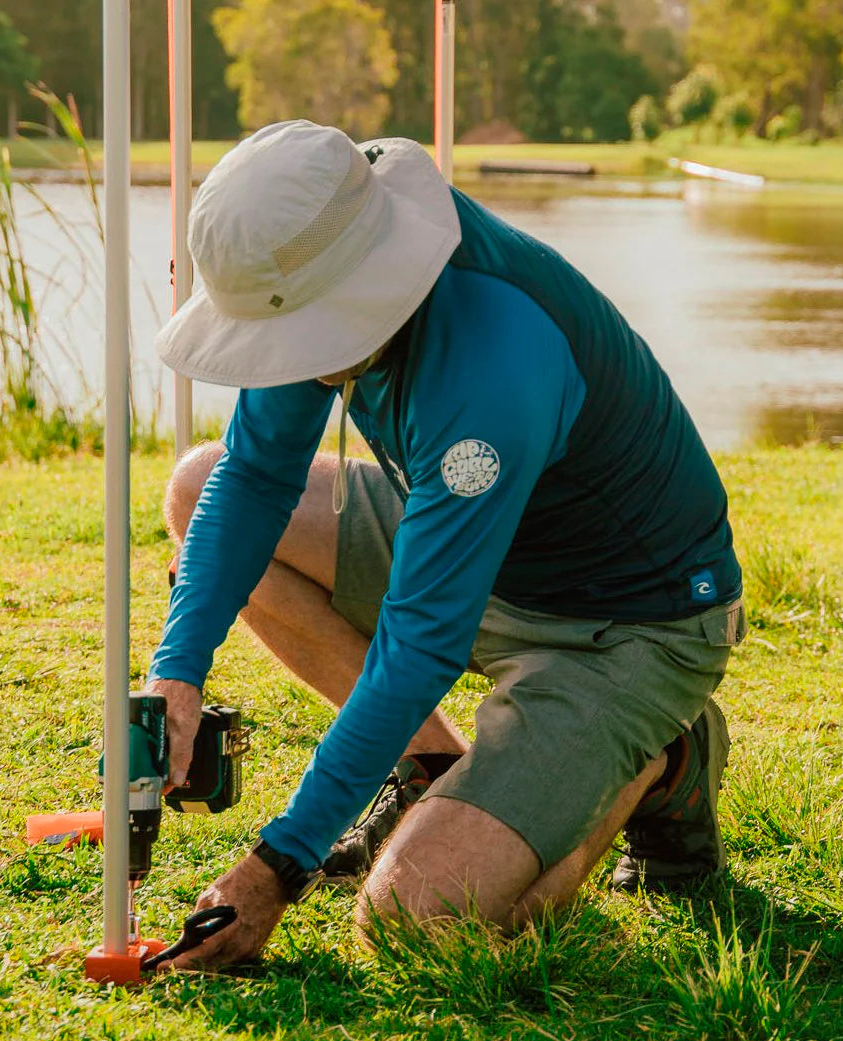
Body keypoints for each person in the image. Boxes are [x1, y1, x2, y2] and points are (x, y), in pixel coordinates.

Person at [146, 120, 745, 973]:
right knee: (197, 484)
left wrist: (279, 864)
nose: (280, 358)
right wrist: (177, 672)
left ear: (359, 290)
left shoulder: (491, 366)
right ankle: (432, 765)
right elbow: (252, 480)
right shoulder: (318, 254)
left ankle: (659, 757)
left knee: (412, 921)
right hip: (488, 555)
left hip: (627, 625)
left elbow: (418, 642)